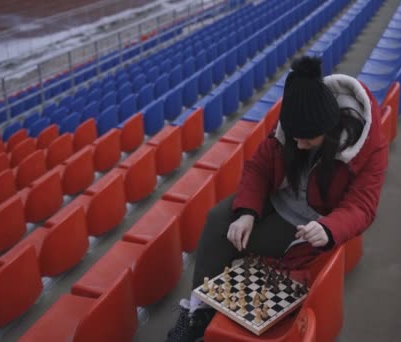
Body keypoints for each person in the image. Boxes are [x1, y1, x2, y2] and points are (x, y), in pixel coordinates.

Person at [167, 55, 389, 341]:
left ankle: (209, 306)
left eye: (306, 139)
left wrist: (329, 227)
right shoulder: (293, 123)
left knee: (227, 239)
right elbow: (258, 168)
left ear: (328, 130)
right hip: (276, 200)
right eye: (294, 137)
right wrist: (247, 210)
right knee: (220, 218)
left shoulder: (369, 144)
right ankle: (199, 307)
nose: (297, 143)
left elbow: (363, 205)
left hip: (309, 223)